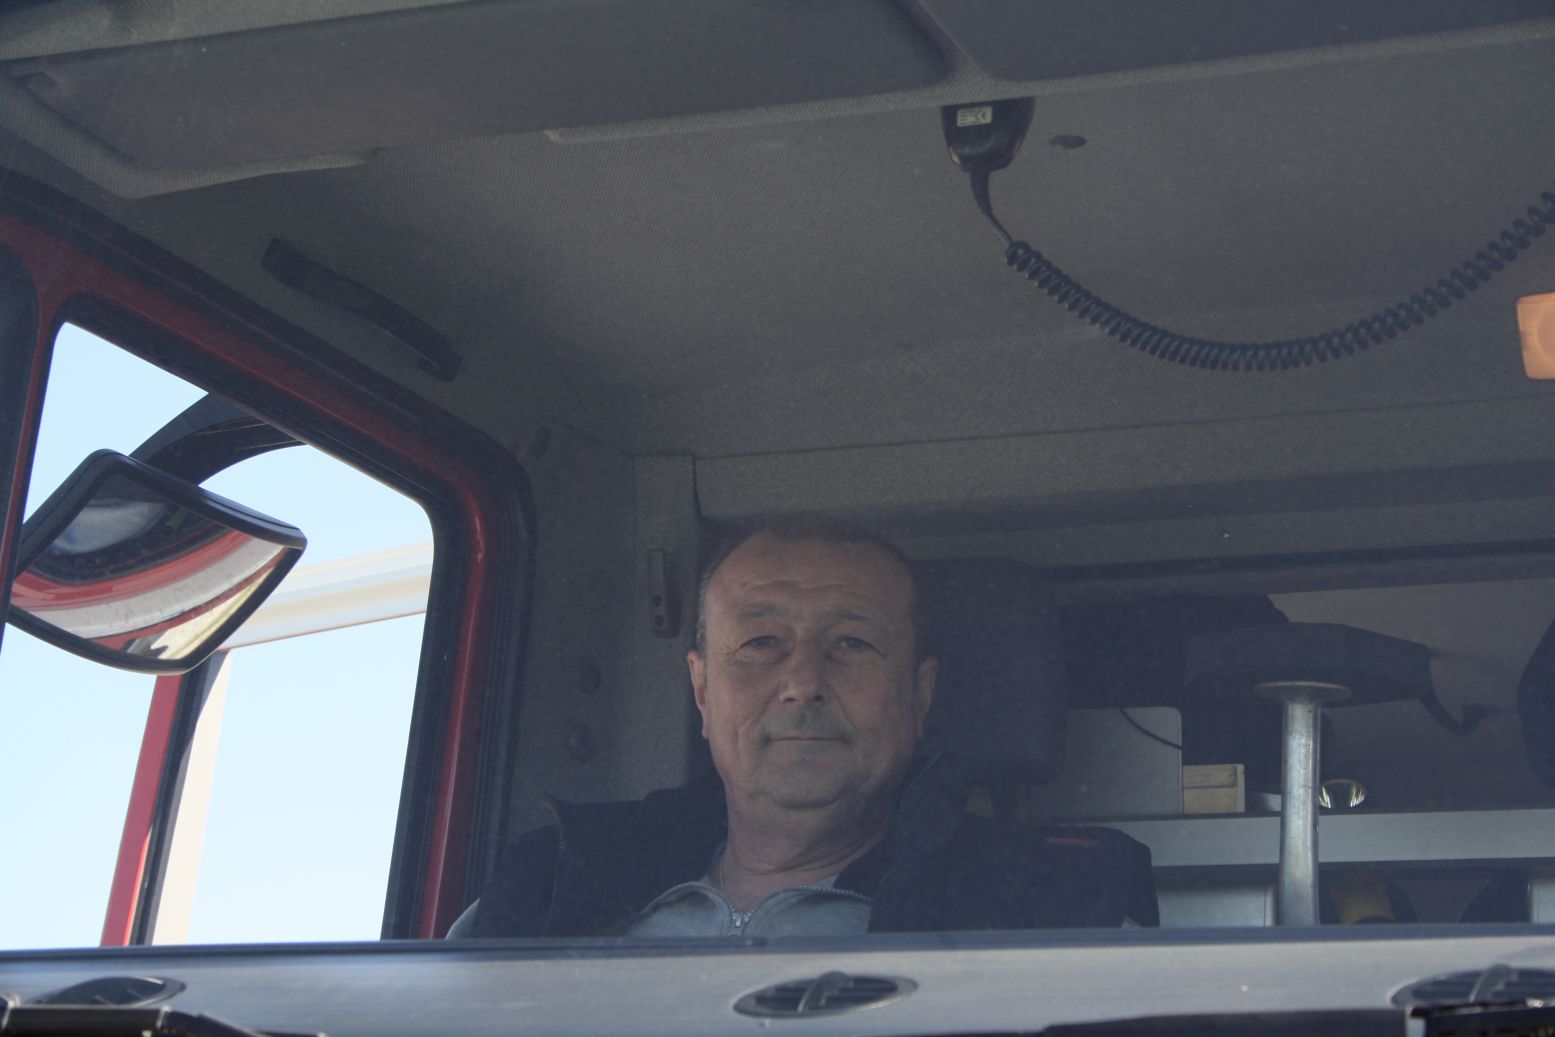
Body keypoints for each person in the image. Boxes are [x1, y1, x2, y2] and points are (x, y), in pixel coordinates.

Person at [462, 518, 1155, 938]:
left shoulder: (1059, 908)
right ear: (702, 691)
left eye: (852, 643)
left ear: (919, 695)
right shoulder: (546, 884)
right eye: (760, 642)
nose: (802, 682)